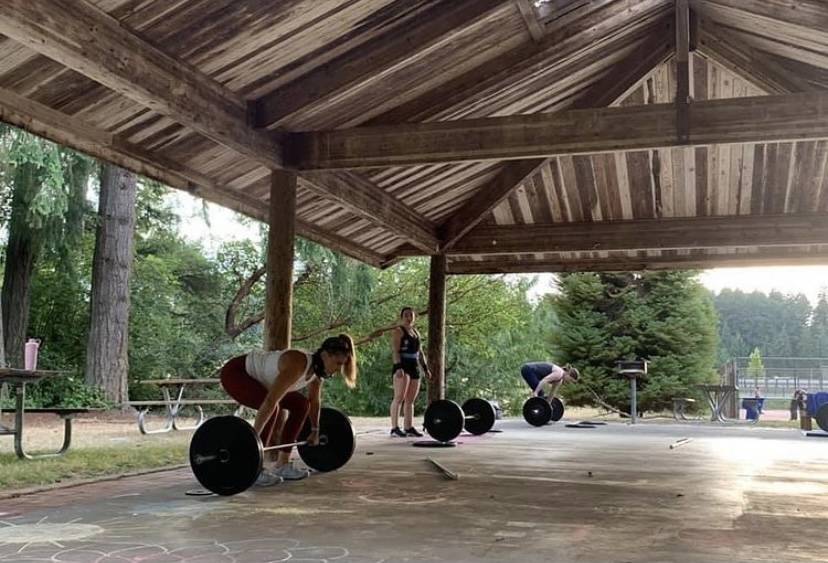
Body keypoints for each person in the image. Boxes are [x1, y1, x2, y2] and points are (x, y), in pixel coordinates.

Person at [219, 334, 357, 486]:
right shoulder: (298, 363)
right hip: (236, 373)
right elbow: (270, 401)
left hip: (262, 383)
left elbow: (314, 401)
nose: (338, 369)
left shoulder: (316, 374)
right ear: (326, 355)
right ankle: (254, 468)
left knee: (301, 405)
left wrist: (315, 429)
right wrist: (252, 440)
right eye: (337, 363)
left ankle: (282, 464)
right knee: (273, 409)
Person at [389, 307, 432, 438]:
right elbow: (395, 350)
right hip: (403, 365)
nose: (409, 317)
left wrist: (425, 369)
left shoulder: (416, 332)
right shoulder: (399, 331)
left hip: (414, 366)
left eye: (411, 315)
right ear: (402, 317)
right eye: (406, 315)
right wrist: (398, 367)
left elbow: (420, 353)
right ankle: (394, 428)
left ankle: (408, 427)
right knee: (399, 397)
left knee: (410, 400)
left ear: (414, 317)